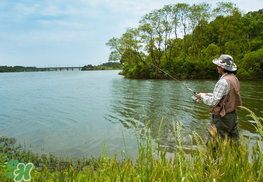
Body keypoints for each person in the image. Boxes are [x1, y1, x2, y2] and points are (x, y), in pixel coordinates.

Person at [196, 54, 242, 145]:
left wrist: (201, 97)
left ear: (222, 68)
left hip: (222, 118)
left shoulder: (223, 81)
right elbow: (225, 96)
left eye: (219, 65)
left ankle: (212, 159)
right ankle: (237, 159)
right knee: (233, 144)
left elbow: (213, 102)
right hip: (232, 115)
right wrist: (206, 94)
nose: (217, 67)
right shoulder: (234, 78)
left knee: (213, 145)